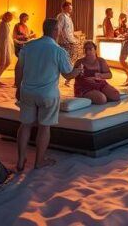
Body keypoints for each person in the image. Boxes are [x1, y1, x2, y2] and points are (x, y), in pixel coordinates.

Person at [14, 18, 83, 171]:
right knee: (44, 127)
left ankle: (20, 160)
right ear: (56, 31)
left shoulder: (29, 46)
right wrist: (77, 71)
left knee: (25, 125)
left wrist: (18, 88)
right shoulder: (58, 51)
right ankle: (39, 162)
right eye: (59, 30)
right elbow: (68, 75)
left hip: (27, 91)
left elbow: (18, 68)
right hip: (47, 94)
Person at [57, 1, 79, 86]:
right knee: (64, 61)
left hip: (70, 42)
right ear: (64, 8)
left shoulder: (68, 17)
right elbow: (59, 29)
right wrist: (66, 41)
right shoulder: (61, 16)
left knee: (71, 61)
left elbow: (69, 31)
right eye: (69, 7)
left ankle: (68, 79)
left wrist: (74, 39)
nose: (71, 9)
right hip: (64, 43)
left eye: (71, 8)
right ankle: (66, 79)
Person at [0, 12, 16, 87]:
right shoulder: (2, 24)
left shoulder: (7, 24)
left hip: (7, 44)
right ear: (6, 17)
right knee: (2, 62)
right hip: (2, 45)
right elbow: (3, 38)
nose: (12, 18)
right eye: (10, 17)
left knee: (8, 62)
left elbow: (8, 37)